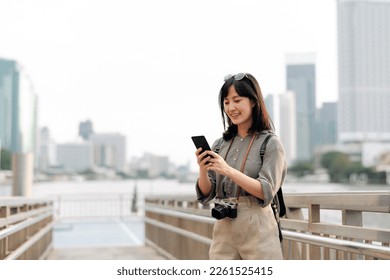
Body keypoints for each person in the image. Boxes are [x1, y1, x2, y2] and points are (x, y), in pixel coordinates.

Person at [194, 73, 287, 260]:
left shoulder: (270, 143)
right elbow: (206, 193)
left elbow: (265, 191)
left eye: (237, 100)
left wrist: (227, 170)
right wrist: (203, 169)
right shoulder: (220, 144)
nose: (231, 107)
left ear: (253, 101)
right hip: (223, 226)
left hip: (258, 226)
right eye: (226, 102)